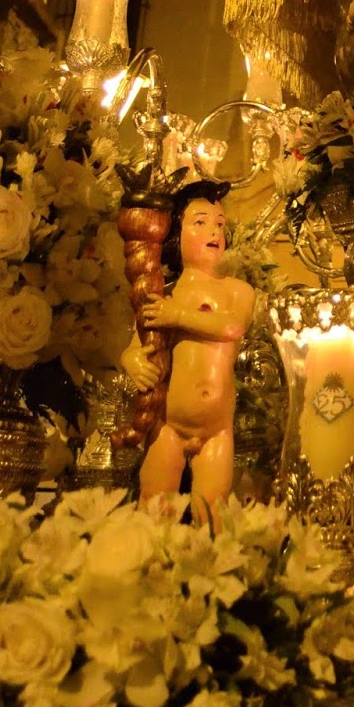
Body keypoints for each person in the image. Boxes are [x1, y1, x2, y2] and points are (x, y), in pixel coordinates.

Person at [120, 183, 255, 524]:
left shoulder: (237, 291)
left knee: (212, 511)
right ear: (174, 235)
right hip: (167, 424)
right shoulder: (164, 293)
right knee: (155, 506)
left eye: (220, 224)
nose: (214, 231)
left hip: (216, 430)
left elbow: (231, 326)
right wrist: (133, 361)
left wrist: (178, 316)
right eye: (201, 222)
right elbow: (138, 345)